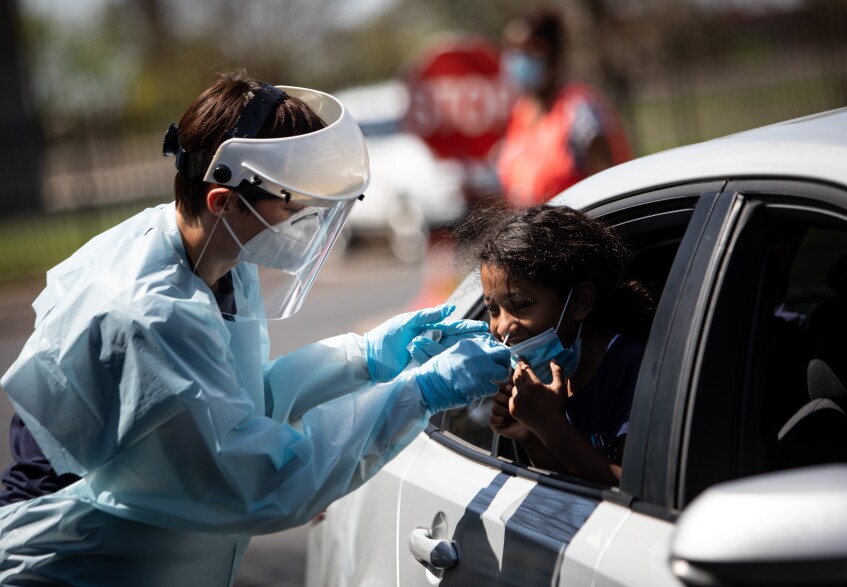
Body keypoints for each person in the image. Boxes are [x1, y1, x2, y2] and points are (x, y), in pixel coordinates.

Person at [0, 71, 510, 586]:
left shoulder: (215, 257)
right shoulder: (151, 316)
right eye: (295, 206)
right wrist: (418, 393)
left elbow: (236, 403)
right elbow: (266, 481)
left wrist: (367, 357)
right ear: (224, 200)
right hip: (71, 566)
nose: (307, 223)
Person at [449, 204, 653, 485]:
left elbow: (638, 493)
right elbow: (567, 486)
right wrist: (530, 436)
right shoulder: (552, 378)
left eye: (520, 305)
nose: (503, 326)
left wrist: (549, 424)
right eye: (493, 310)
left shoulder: (631, 369)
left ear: (580, 302)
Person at [495, 9, 632, 207]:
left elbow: (610, 189)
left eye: (530, 49)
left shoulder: (579, 109)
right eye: (514, 49)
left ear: (554, 55)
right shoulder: (519, 114)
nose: (519, 58)